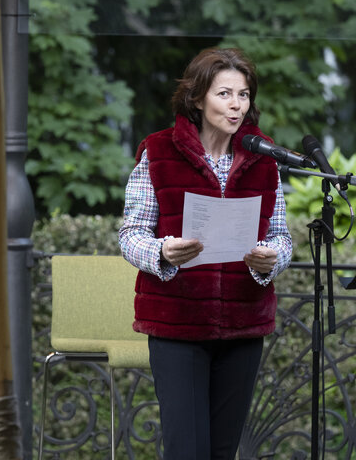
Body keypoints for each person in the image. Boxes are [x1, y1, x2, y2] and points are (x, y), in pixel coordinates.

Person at [118, 47, 293, 459]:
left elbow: (282, 237)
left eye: (244, 95)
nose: (236, 105)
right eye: (224, 94)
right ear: (197, 98)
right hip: (177, 325)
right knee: (186, 450)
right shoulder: (158, 152)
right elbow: (130, 234)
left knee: (221, 451)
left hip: (244, 325)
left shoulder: (264, 158)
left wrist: (272, 259)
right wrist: (163, 252)